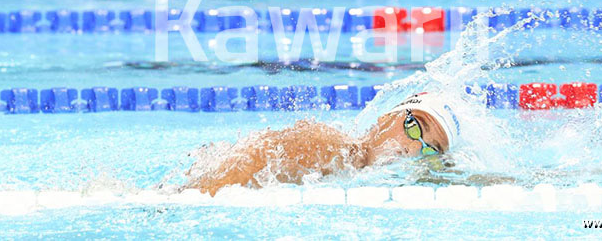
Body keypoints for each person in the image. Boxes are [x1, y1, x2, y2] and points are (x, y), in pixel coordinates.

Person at [185, 92, 460, 196]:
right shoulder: (327, 148)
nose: (413, 148)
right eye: (414, 127)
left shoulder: (358, 173)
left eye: (430, 148)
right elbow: (210, 191)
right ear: (386, 117)